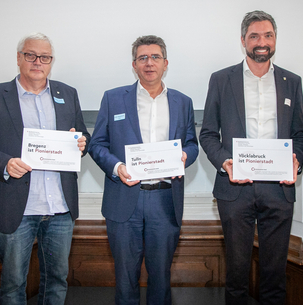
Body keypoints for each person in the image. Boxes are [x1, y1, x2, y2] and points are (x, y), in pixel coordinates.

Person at [0, 32, 89, 305]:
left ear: (51, 61)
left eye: (44, 57)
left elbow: (83, 137)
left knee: (57, 280)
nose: (38, 62)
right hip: (15, 207)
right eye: (31, 55)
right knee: (13, 285)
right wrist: (4, 163)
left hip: (60, 207)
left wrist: (82, 143)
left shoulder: (67, 94)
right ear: (19, 58)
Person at [199, 10, 303, 305]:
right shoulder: (222, 80)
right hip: (235, 190)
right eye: (255, 36)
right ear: (243, 40)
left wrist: (296, 160)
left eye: (268, 35)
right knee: (236, 275)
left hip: (278, 190)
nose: (262, 42)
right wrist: (225, 162)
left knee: (274, 275)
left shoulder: (292, 82)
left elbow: (300, 134)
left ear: (275, 39)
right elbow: (208, 134)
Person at [89, 35, 198, 305]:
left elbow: (192, 144)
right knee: (125, 278)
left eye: (155, 57)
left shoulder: (183, 102)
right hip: (124, 198)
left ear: (165, 63)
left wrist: (185, 156)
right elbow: (97, 144)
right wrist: (116, 166)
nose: (149, 63)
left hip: (165, 199)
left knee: (161, 276)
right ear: (134, 65)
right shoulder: (113, 98)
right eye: (143, 58)